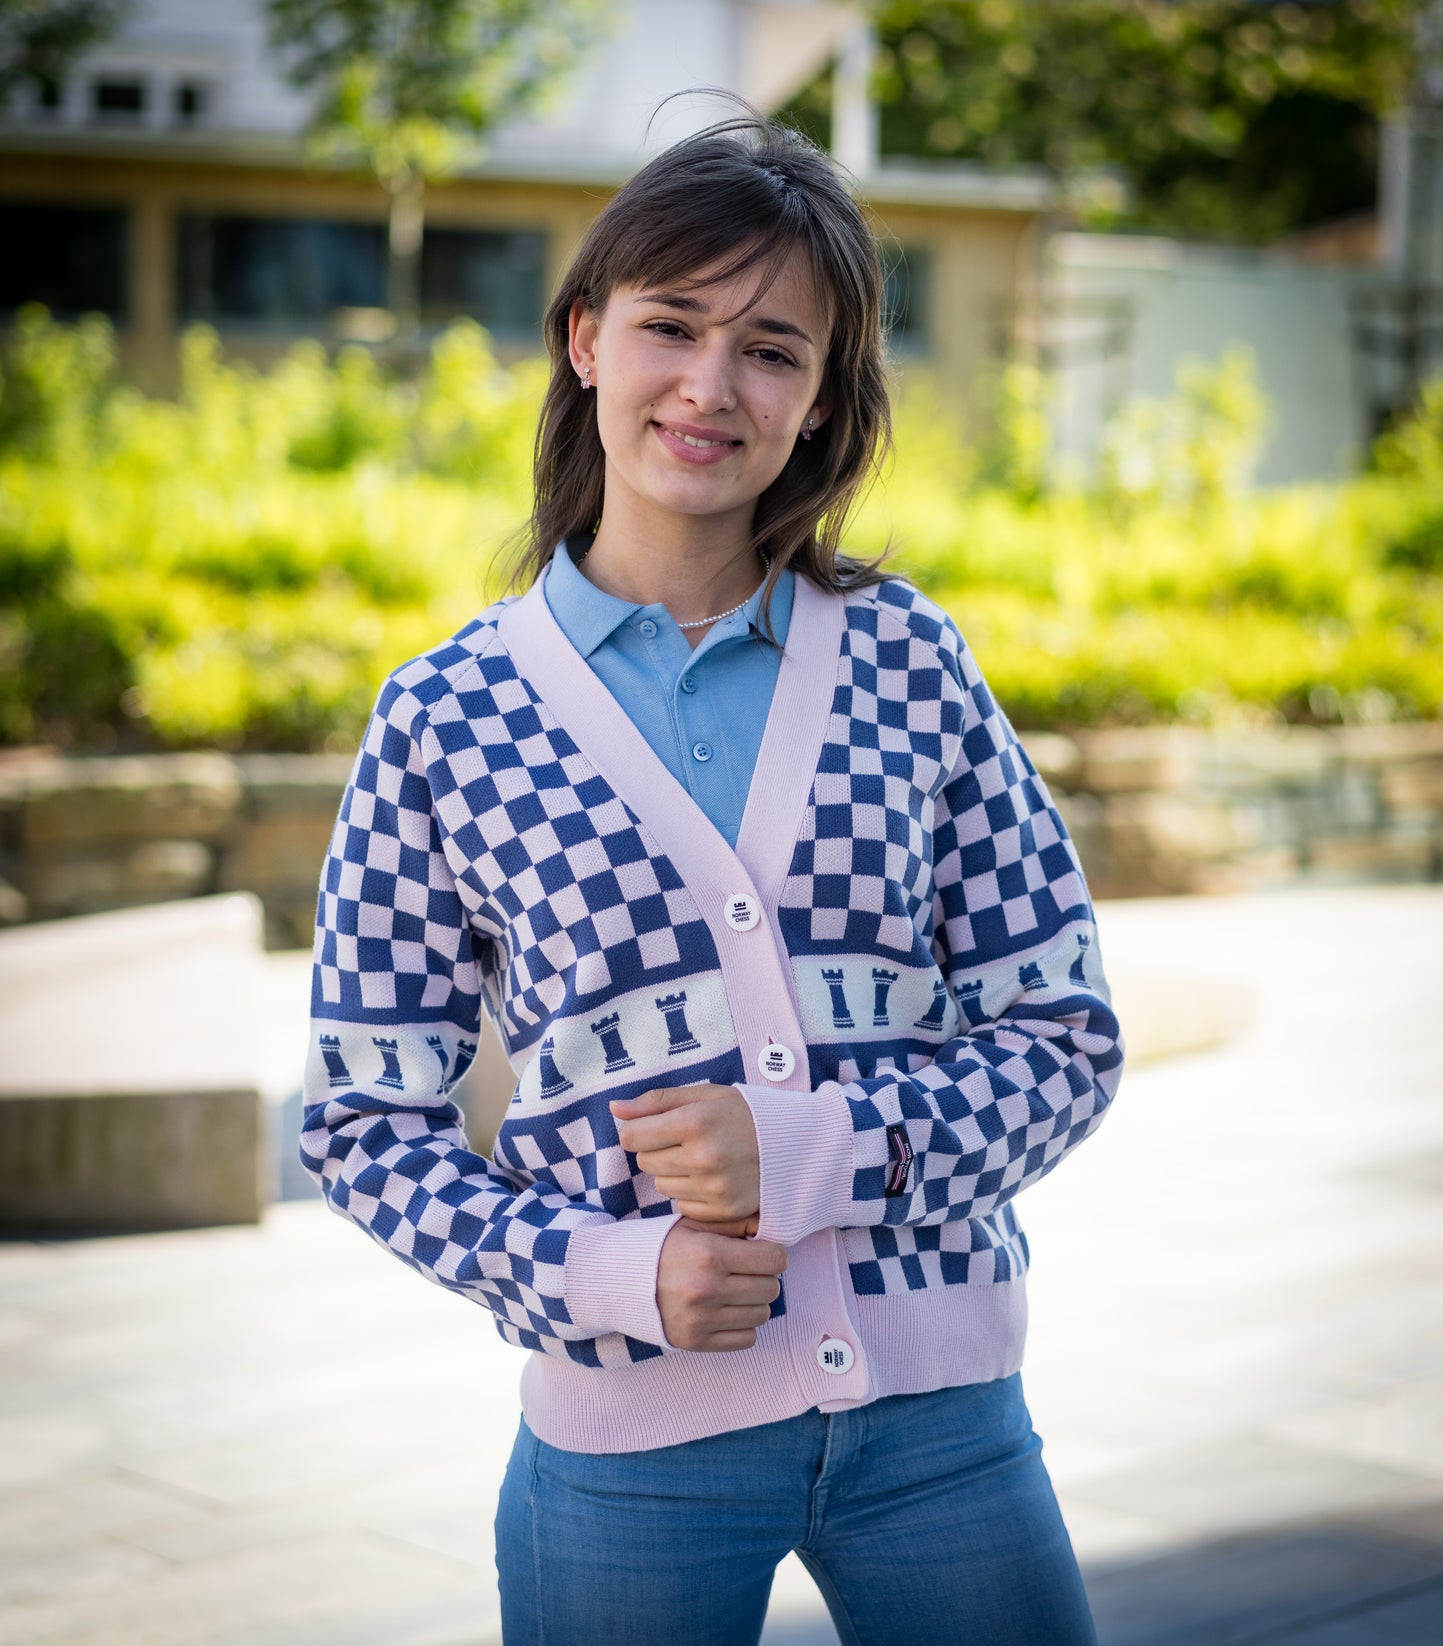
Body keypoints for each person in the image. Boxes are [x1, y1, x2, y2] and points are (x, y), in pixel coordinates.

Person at [302, 111, 1123, 1646]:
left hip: (945, 1430)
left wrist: (815, 1153)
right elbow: (359, 1121)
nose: (709, 386)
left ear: (819, 404)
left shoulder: (909, 666)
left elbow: (1066, 1039)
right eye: (671, 325)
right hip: (629, 1461)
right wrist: (608, 1270)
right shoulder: (444, 718)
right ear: (585, 341)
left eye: (771, 350)